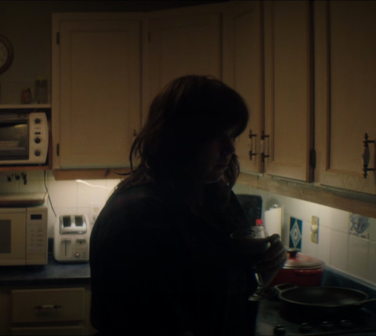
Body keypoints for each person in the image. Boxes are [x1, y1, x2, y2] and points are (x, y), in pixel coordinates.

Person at [89, 75, 287, 336]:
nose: (230, 149)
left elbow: (221, 294)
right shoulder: (137, 218)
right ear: (179, 139)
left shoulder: (214, 196)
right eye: (217, 136)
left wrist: (264, 270)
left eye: (232, 135)